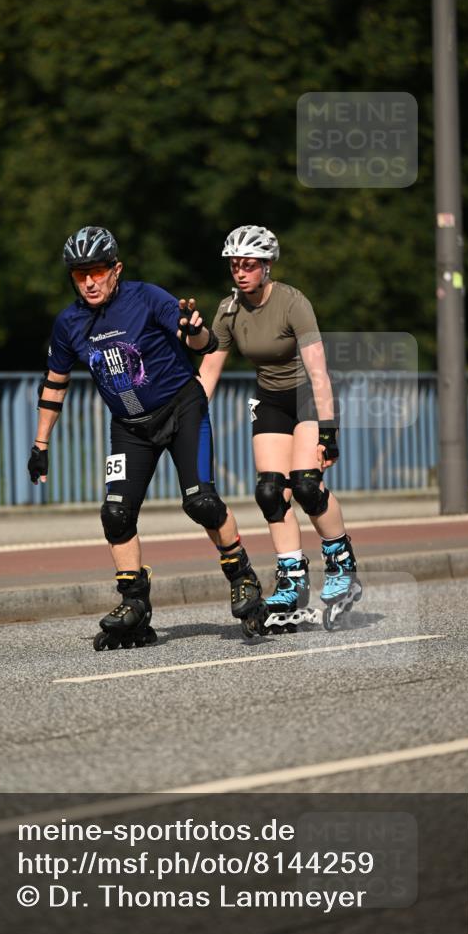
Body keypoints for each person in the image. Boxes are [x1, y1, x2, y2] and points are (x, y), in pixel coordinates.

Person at [28, 225, 266, 649]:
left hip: (181, 408)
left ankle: (242, 575)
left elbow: (203, 342)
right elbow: (55, 382)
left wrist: (194, 328)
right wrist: (40, 445)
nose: (89, 281)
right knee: (115, 514)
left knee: (201, 502)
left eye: (97, 271)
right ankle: (134, 603)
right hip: (129, 426)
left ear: (116, 269)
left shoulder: (147, 297)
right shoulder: (69, 323)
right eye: (79, 273)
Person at [198, 224, 362, 635]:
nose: (241, 272)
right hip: (270, 399)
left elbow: (319, 371)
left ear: (267, 266)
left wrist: (328, 431)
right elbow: (209, 372)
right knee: (270, 491)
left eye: (249, 265)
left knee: (306, 484)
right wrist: (186, 418)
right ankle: (291, 578)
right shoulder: (228, 310)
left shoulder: (293, 303)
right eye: (234, 265)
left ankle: (341, 562)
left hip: (308, 393)